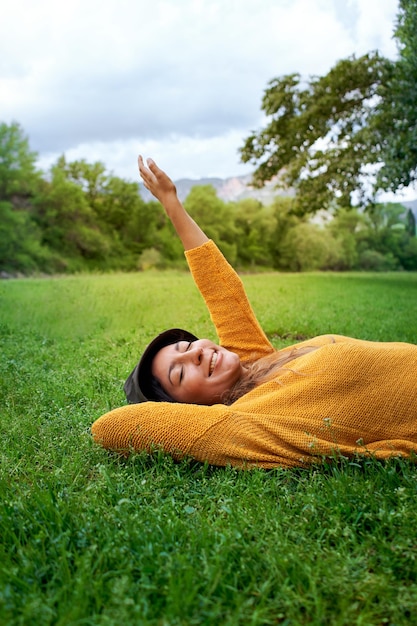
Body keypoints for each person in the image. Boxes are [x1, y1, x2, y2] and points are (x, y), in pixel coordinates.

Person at [91, 156, 417, 469]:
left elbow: (222, 290)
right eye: (179, 374)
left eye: (187, 346)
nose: (197, 354)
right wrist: (192, 415)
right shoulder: (247, 420)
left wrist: (170, 202)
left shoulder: (257, 362)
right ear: (186, 410)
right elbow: (110, 428)